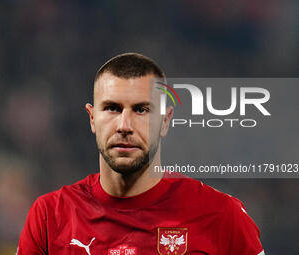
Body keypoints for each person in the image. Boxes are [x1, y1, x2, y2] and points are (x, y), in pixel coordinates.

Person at [17, 53, 265, 255]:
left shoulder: (221, 215)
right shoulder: (50, 217)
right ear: (92, 118)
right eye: (112, 108)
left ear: (165, 121)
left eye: (141, 110)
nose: (125, 125)